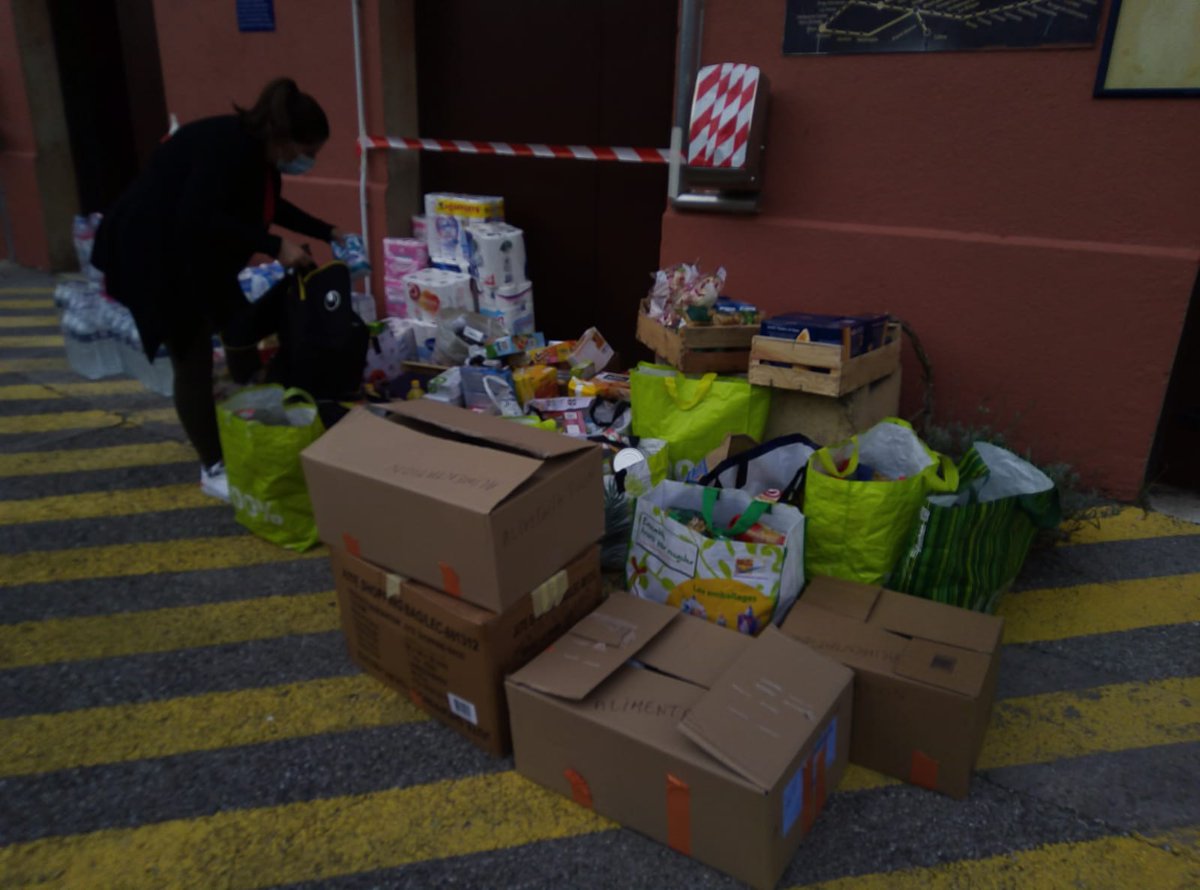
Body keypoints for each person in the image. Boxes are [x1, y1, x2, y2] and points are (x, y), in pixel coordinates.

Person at [93, 77, 346, 501]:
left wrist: (327, 230)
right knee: (191, 357)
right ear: (284, 138)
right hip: (154, 258)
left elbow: (267, 208)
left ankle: (248, 412)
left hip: (197, 254)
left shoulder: (260, 156)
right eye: (308, 152)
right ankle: (213, 466)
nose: (308, 161)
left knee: (239, 324)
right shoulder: (226, 148)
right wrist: (274, 246)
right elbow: (198, 217)